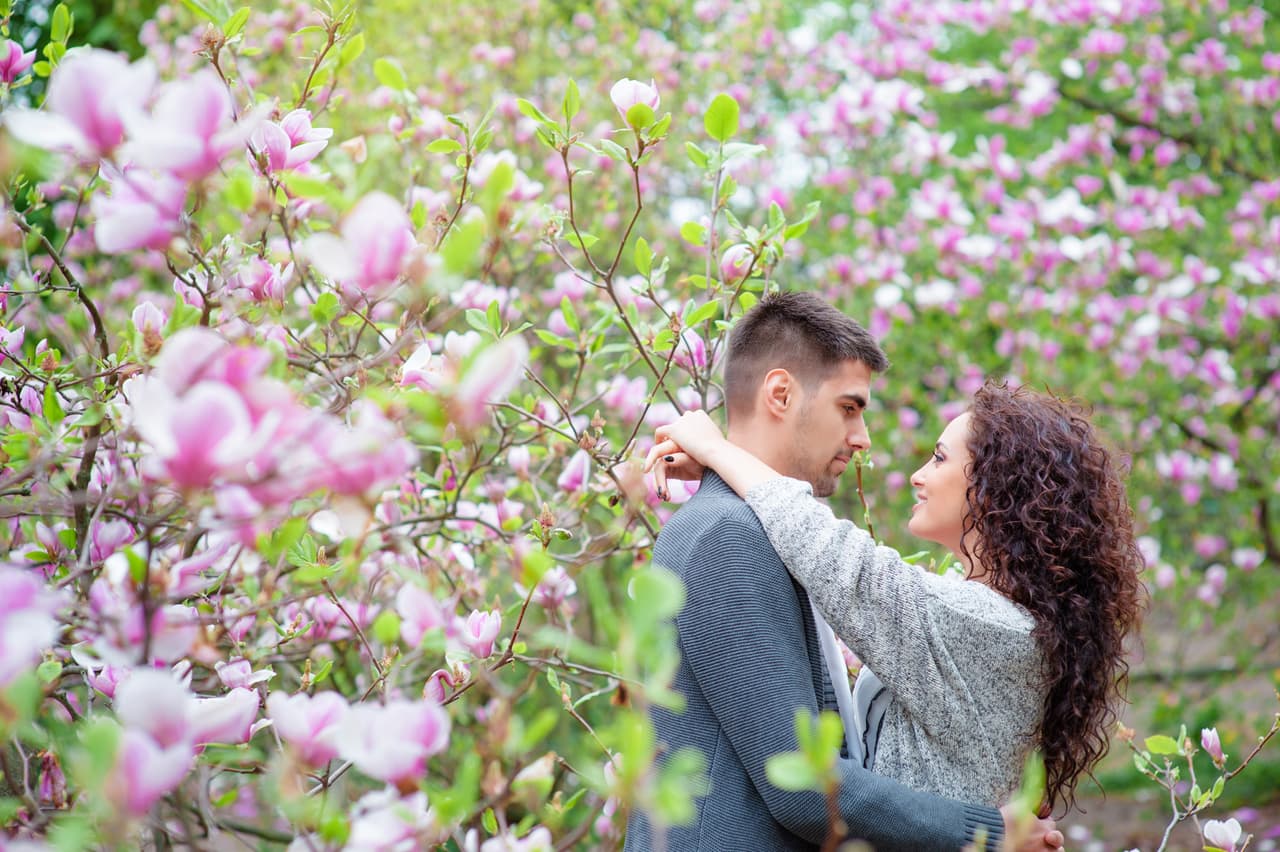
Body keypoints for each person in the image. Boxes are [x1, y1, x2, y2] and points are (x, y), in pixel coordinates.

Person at [622, 291, 1066, 851]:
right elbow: (802, 785)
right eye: (849, 408)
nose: (862, 438)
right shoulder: (727, 535)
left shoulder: (762, 531)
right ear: (780, 394)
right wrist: (980, 831)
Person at [646, 376, 1146, 818]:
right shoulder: (995, 615)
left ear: (994, 488)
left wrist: (719, 451)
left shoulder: (988, 625)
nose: (917, 474)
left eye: (940, 458)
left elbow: (833, 554)